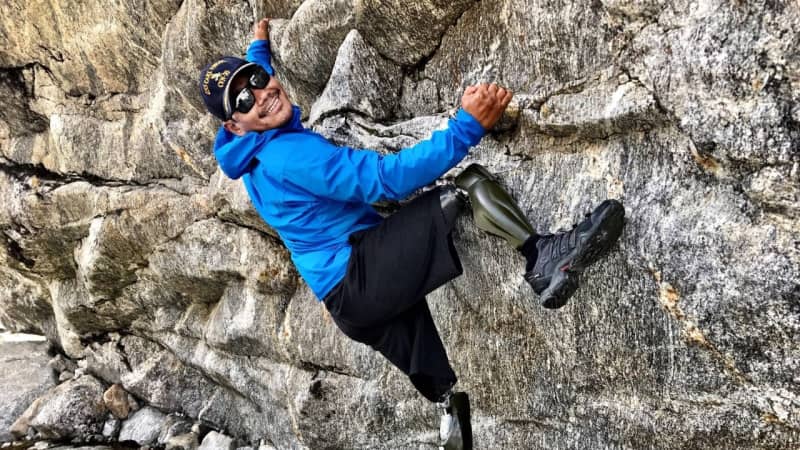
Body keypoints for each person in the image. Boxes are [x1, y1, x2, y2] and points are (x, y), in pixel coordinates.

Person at [198, 18, 624, 450]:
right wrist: (466, 127)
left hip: (343, 300)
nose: (263, 95)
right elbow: (387, 179)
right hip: (361, 275)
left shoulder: (240, 146)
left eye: (260, 81)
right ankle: (543, 257)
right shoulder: (290, 156)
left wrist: (258, 47)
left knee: (437, 376)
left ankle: (450, 429)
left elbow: (248, 85)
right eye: (247, 101)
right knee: (463, 187)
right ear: (234, 124)